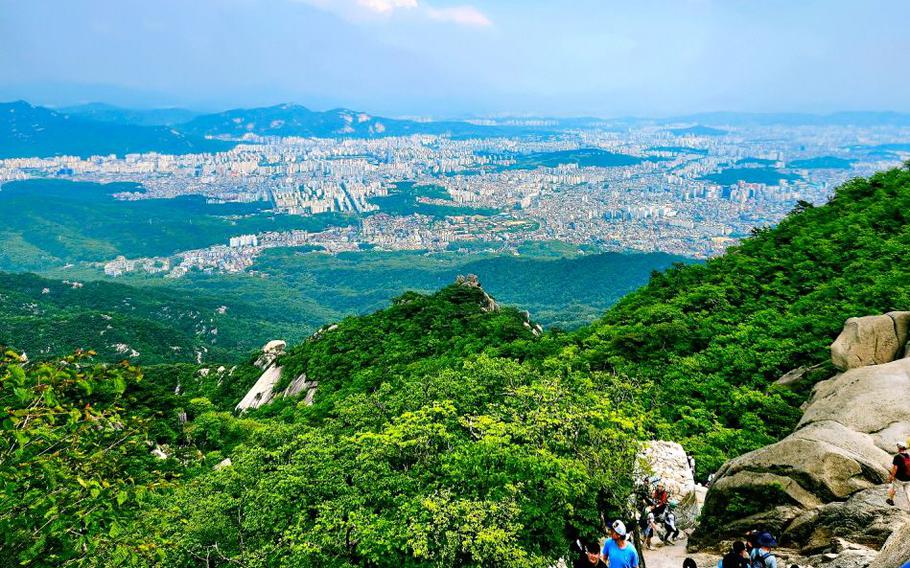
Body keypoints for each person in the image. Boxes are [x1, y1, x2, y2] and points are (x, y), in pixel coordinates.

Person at [886, 441, 910, 508]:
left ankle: (890, 500)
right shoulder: (908, 456)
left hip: (900, 478)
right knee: (908, 492)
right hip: (908, 478)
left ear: (899, 448)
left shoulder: (897, 457)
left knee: (893, 488)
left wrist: (892, 477)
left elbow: (895, 468)